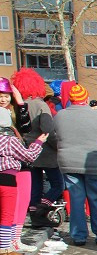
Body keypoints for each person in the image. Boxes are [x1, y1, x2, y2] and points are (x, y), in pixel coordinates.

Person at [52, 83, 97, 246]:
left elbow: (52, 136)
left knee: (76, 199)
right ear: (86, 99)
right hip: (94, 164)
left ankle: (78, 235)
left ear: (70, 100)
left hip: (69, 163)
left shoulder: (60, 116)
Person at [11, 69, 59, 230]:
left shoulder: (20, 107)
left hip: (28, 152)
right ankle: (42, 209)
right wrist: (57, 146)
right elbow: (47, 129)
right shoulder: (41, 105)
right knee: (58, 184)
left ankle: (34, 215)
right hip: (46, 152)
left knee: (35, 187)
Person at [0, 108, 47, 255]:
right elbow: (29, 156)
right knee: (6, 216)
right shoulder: (9, 140)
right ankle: (5, 251)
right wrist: (39, 142)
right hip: (7, 181)